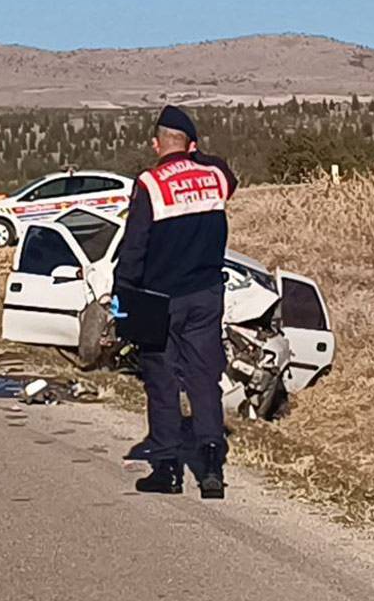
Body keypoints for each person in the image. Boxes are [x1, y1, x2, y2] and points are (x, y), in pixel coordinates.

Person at [113, 105, 237, 499]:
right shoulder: (215, 176)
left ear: (155, 143)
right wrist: (194, 154)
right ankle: (212, 467)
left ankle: (166, 470)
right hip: (206, 295)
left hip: (160, 300)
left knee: (163, 383)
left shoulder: (150, 183)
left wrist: (123, 294)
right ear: (192, 144)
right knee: (204, 380)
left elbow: (135, 246)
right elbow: (224, 169)